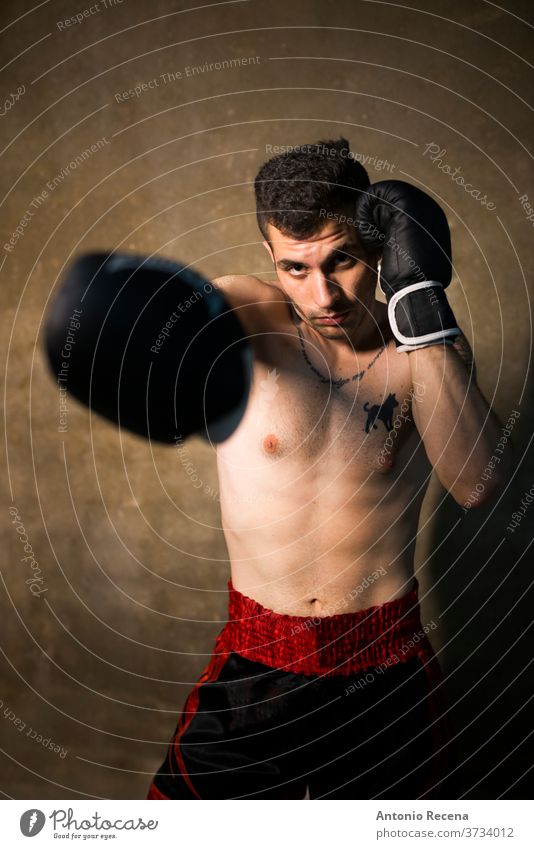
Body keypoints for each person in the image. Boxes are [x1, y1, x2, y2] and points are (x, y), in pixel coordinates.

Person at [142, 139, 509, 799]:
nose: (324, 294)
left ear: (378, 247)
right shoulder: (245, 315)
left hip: (385, 670)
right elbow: (166, 362)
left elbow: (478, 484)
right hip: (254, 666)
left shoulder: (422, 351)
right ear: (270, 258)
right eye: (295, 267)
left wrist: (422, 307)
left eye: (342, 260)